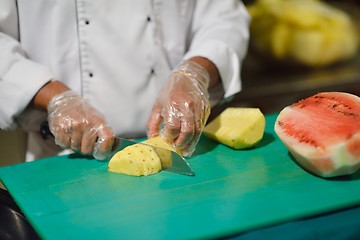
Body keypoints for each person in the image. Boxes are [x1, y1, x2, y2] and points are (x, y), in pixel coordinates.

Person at [0, 0, 250, 162]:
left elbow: (225, 16)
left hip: (178, 145)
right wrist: (55, 97)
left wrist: (195, 71)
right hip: (63, 158)